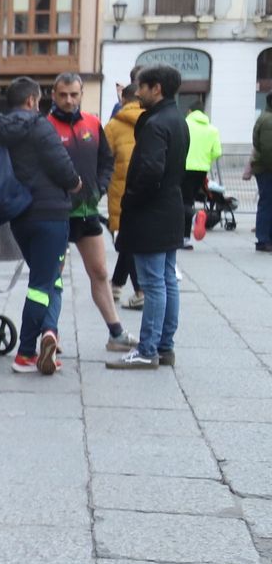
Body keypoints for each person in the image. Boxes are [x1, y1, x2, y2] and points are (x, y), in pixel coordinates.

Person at [0, 77, 81, 375]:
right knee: (42, 285)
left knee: (50, 277)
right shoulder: (40, 125)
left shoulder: (0, 130)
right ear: (31, 101)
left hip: (19, 216)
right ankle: (26, 353)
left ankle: (50, 332)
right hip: (50, 213)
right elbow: (61, 164)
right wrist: (76, 183)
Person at [46, 72, 136, 352]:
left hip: (87, 213)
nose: (69, 100)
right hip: (56, 214)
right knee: (51, 277)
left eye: (74, 94)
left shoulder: (94, 123)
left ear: (81, 94)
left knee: (99, 272)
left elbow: (107, 160)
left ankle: (116, 333)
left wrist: (101, 187)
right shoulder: (45, 127)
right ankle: (49, 335)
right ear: (53, 95)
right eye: (63, 95)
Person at [110, 64, 189, 369]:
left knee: (154, 283)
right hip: (170, 209)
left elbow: (150, 171)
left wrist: (131, 199)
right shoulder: (177, 119)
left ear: (156, 89)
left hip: (150, 214)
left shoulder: (156, 124)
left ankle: (147, 350)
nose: (137, 92)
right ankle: (164, 347)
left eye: (141, 86)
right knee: (167, 280)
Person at [105, 84, 144, 308]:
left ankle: (140, 290)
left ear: (123, 100)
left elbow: (103, 161)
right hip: (148, 191)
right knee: (128, 241)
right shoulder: (153, 121)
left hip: (120, 193)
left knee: (126, 241)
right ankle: (116, 285)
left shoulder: (113, 126)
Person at [180, 106, 220, 249]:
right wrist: (205, 159)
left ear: (189, 111)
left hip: (184, 167)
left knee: (180, 202)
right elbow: (217, 152)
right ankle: (185, 238)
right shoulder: (212, 129)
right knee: (189, 201)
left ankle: (195, 218)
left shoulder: (184, 124)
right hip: (201, 170)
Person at [247, 93, 272, 252]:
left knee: (267, 203)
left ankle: (265, 238)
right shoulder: (269, 121)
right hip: (267, 169)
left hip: (264, 168)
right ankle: (263, 239)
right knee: (267, 203)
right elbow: (268, 149)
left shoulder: (265, 118)